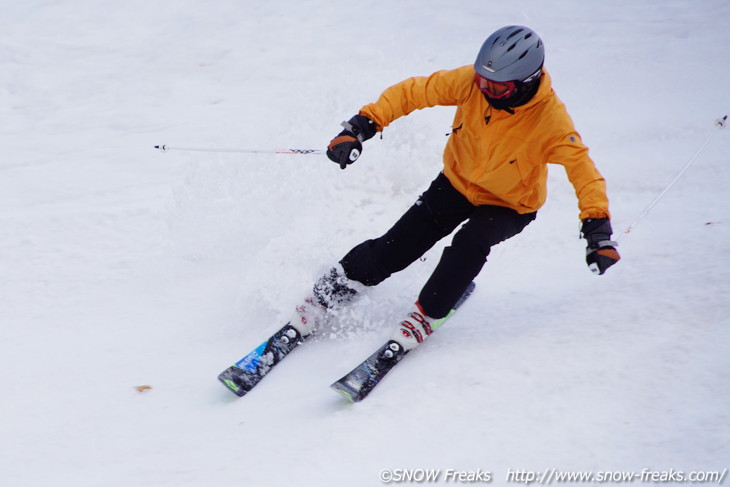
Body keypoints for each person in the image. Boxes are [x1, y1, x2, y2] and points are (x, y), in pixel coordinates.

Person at [293, 25, 620, 349]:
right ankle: (328, 294)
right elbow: (413, 92)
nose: (487, 91)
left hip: (509, 204)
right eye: (483, 81)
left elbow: (584, 173)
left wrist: (597, 229)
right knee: (395, 247)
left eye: (499, 88)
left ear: (527, 82)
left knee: (469, 243)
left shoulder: (551, 122)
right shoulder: (471, 84)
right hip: (456, 183)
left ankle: (427, 313)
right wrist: (361, 126)